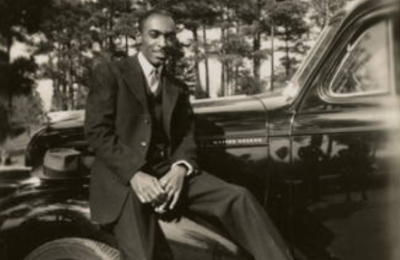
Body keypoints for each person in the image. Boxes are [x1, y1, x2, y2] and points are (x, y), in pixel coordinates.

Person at [85, 9, 293, 260]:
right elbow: (97, 132)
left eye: (169, 37)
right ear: (139, 36)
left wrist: (180, 169)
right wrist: (135, 174)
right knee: (144, 254)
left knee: (239, 198)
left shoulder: (177, 87)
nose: (162, 43)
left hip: (167, 172)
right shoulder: (111, 74)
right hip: (124, 179)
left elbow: (186, 136)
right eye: (154, 35)